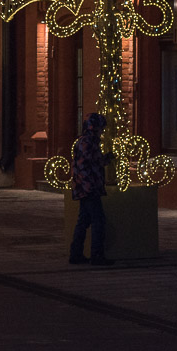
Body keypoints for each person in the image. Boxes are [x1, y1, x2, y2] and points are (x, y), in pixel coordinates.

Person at [69, 112, 115, 266]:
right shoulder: (89, 143)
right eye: (101, 128)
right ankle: (97, 255)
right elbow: (96, 161)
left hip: (83, 186)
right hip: (89, 187)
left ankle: (76, 253)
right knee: (98, 220)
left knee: (84, 220)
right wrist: (109, 157)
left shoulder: (82, 141)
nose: (102, 132)